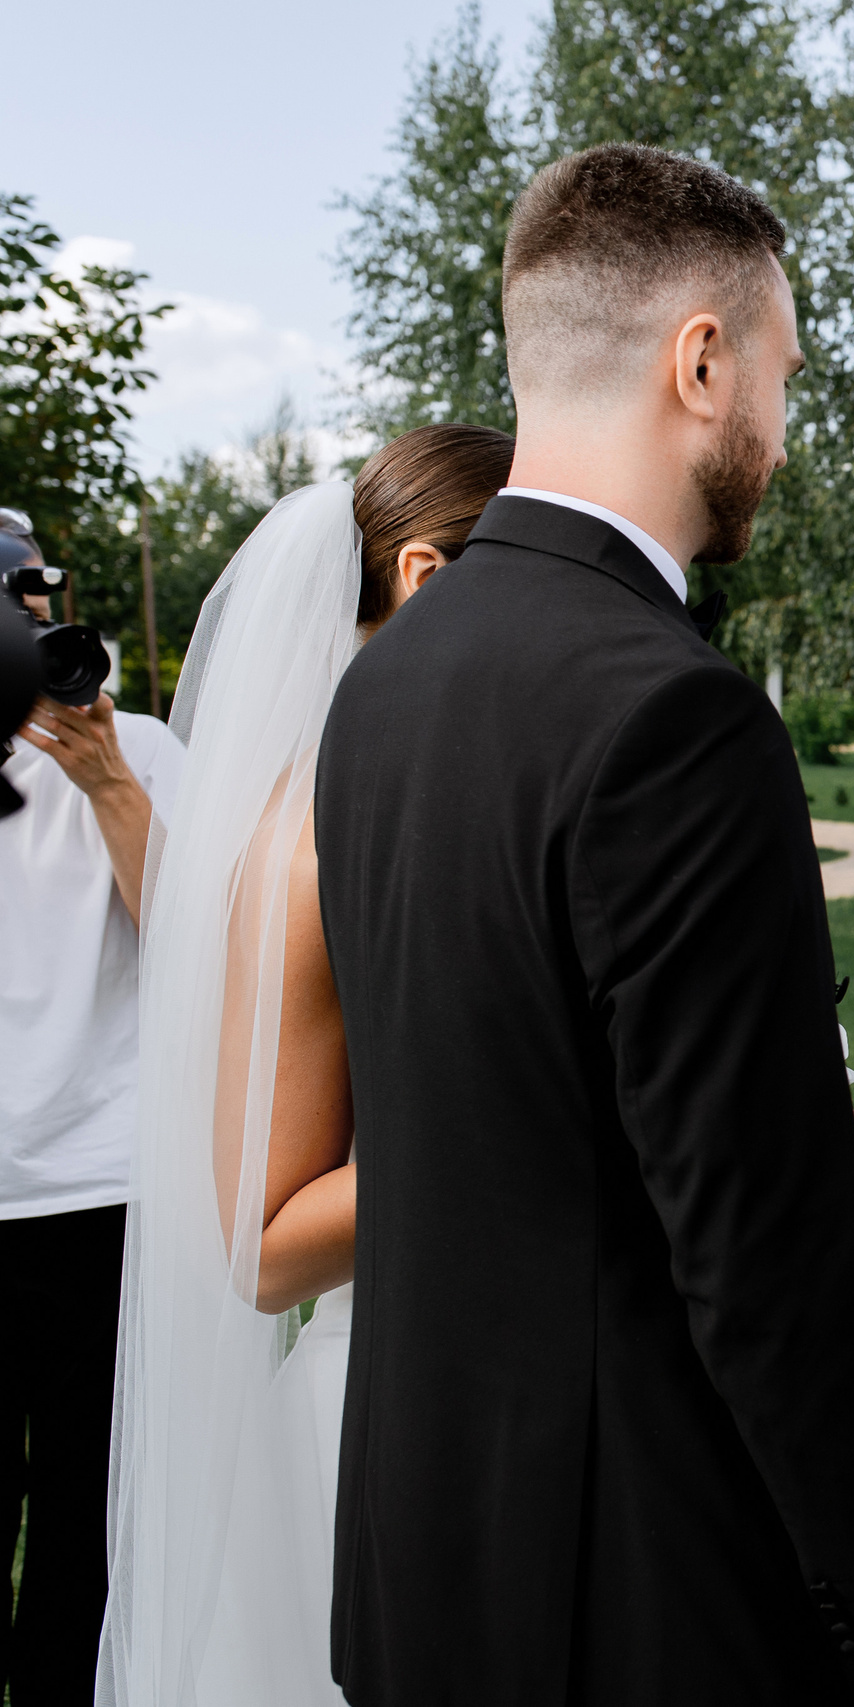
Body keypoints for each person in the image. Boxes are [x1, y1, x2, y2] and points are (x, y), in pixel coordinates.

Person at [313, 145, 854, 1705]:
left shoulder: (380, 689)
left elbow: (506, 1097)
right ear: (700, 359)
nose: (783, 431)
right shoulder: (673, 711)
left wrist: (793, 1127)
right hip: (635, 1594)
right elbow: (761, 1268)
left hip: (429, 1566)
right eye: (784, 375)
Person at [96, 428, 512, 1704]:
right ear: (427, 579)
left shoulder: (490, 790)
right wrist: (526, 1108)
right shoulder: (310, 841)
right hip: (401, 1410)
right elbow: (263, 1243)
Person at [0, 518, 184, 1706]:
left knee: (90, 1522)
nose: (36, 616)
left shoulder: (144, 749)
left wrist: (107, 779)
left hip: (101, 1199)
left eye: (39, 593)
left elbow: (200, 960)